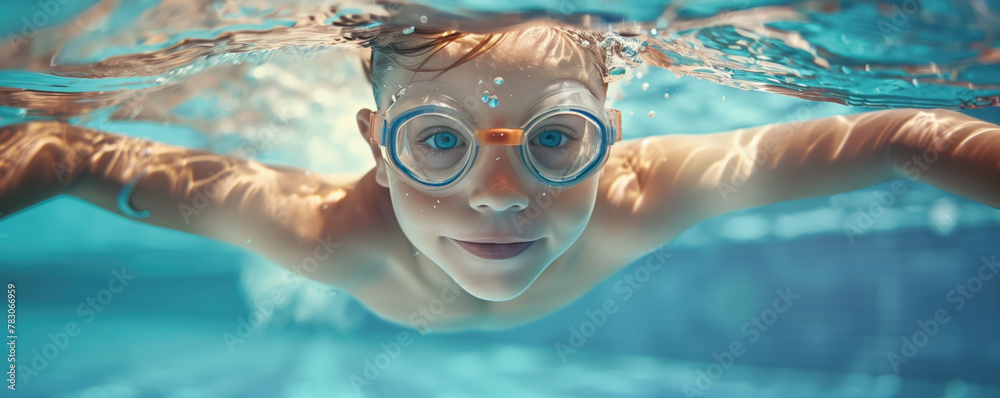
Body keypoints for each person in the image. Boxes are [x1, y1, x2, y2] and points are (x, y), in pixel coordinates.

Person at [1, 24, 998, 332]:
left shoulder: (646, 191)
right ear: (373, 143)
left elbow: (901, 132)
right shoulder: (322, 226)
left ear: (609, 132)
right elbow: (71, 151)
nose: (500, 194)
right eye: (437, 141)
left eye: (554, 140)